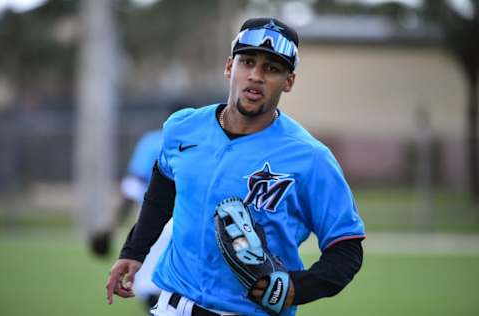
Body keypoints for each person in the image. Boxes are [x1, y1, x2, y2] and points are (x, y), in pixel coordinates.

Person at [106, 17, 365, 316]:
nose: (256, 75)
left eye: (272, 68)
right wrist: (134, 251)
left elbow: (347, 247)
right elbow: (163, 188)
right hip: (171, 306)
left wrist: (298, 287)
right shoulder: (182, 128)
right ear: (230, 66)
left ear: (289, 81)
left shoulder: (311, 159)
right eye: (248, 62)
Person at [91, 129, 173, 309]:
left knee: (149, 290)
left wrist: (108, 227)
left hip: (158, 225)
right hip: (195, 225)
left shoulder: (153, 142)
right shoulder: (208, 140)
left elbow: (132, 190)